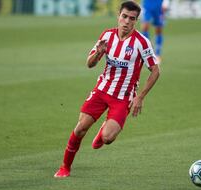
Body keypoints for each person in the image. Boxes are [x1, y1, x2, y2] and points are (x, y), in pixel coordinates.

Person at [54, 1, 160, 178]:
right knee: (80, 129)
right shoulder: (107, 36)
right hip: (102, 90)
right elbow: (89, 64)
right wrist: (99, 53)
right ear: (118, 15)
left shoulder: (142, 42)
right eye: (124, 16)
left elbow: (155, 70)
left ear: (136, 21)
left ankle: (104, 129)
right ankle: (65, 167)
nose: (126, 22)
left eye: (131, 19)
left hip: (123, 97)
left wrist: (140, 97)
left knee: (107, 138)